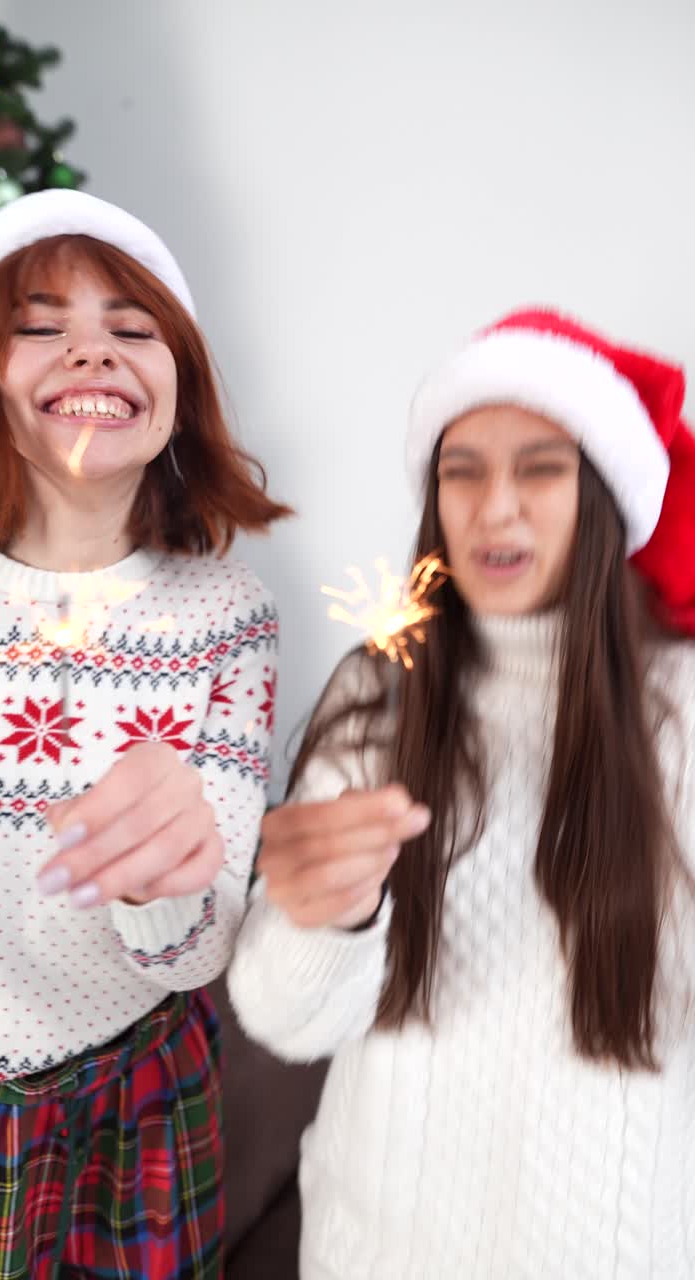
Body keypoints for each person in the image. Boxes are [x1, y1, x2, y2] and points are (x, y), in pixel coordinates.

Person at [229, 308, 695, 1278]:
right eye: (463, 470)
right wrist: (330, 918)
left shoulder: (680, 708)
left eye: (540, 467)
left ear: (604, 494)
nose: (496, 509)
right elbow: (284, 1017)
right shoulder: (379, 689)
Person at [0, 188, 289, 1279]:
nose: (91, 351)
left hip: (142, 1091)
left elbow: (202, 947)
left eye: (133, 327)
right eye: (39, 323)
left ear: (179, 387)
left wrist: (162, 879)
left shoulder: (226, 617)